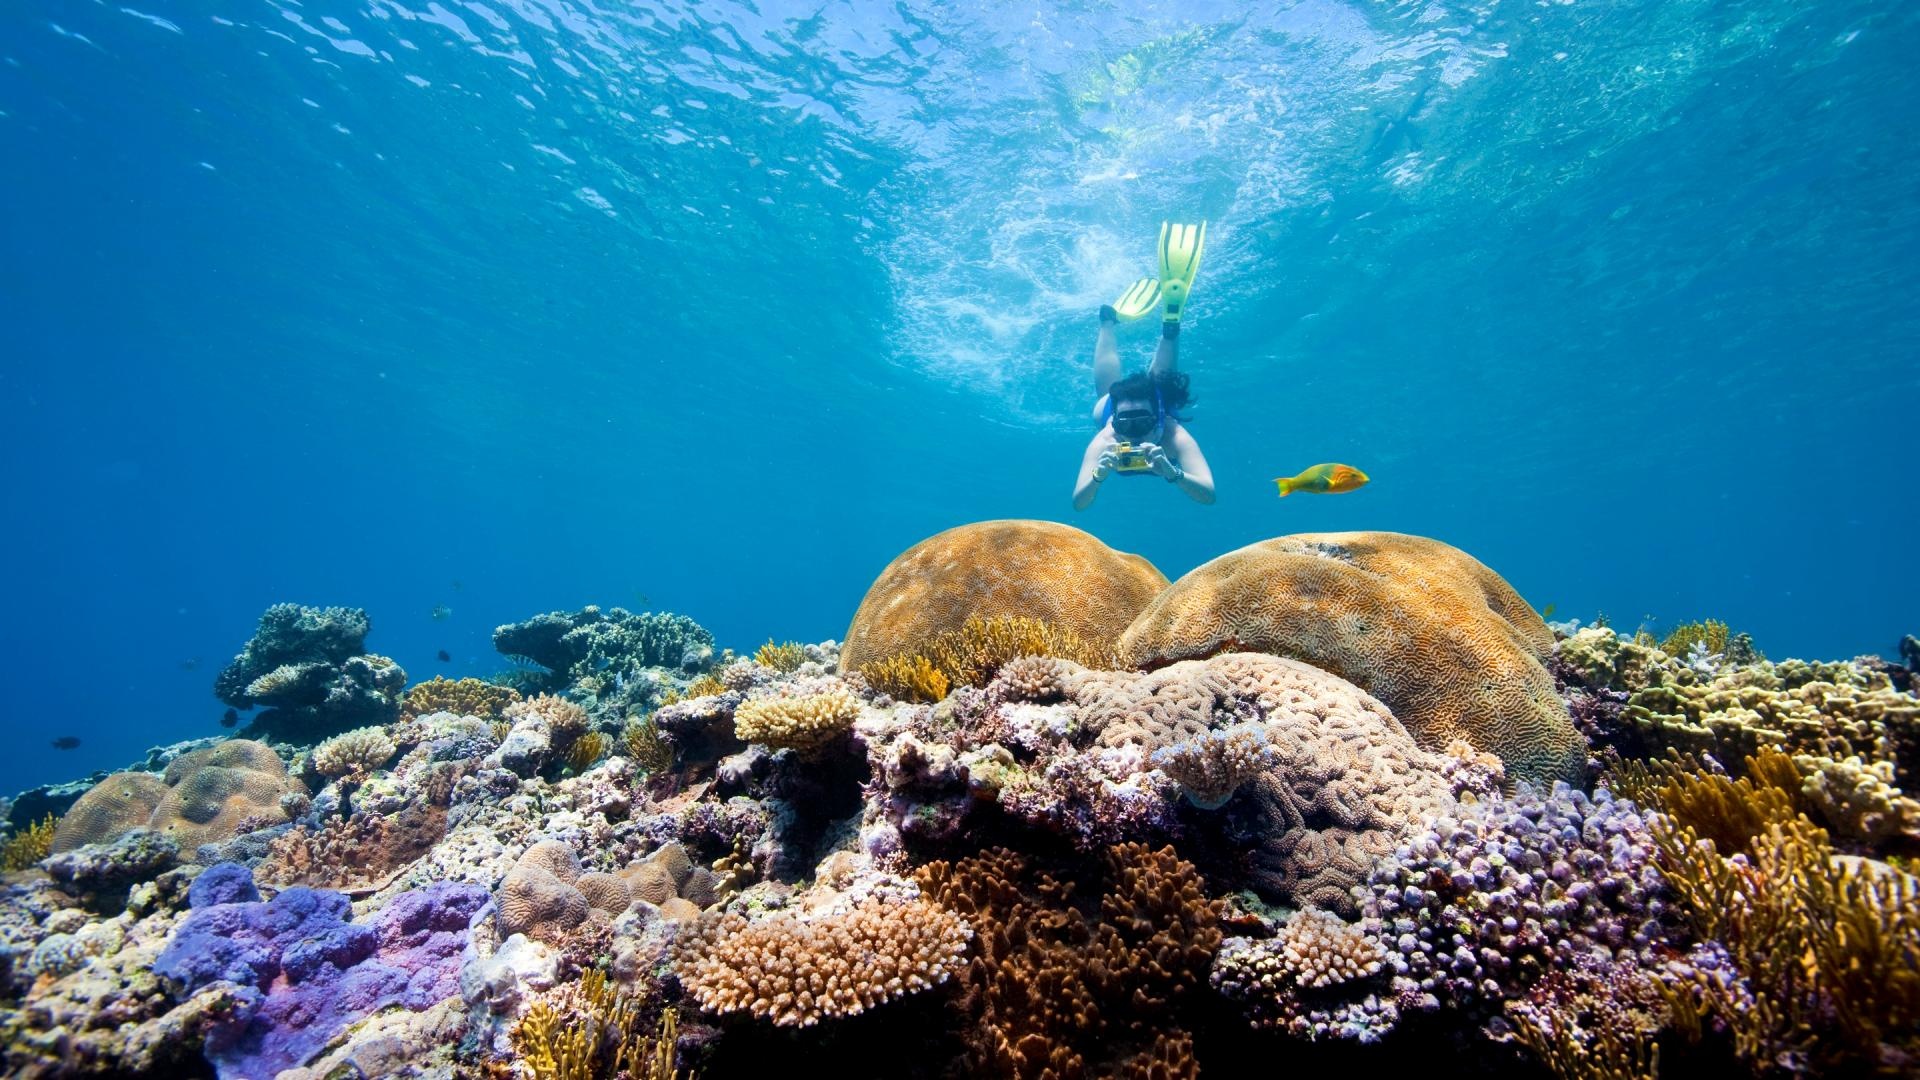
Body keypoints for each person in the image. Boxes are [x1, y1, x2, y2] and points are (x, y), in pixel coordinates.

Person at [1073, 221, 1216, 509]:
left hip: (1134, 408)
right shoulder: (1108, 438)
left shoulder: (1173, 435)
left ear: (1159, 417)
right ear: (1116, 422)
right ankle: (1168, 329)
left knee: (1110, 390)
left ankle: (1108, 324)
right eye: (1127, 423)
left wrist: (1174, 474)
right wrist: (1097, 475)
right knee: (1157, 383)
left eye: (1142, 421)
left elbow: (1209, 494)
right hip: (1136, 406)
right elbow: (1079, 501)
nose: (1135, 433)